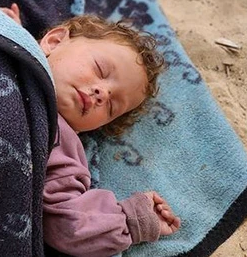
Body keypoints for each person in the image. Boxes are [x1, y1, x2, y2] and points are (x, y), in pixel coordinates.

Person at [37, 14, 181, 257]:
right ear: (54, 41)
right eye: (100, 69)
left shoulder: (63, 142)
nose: (101, 93)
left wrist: (132, 219)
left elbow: (70, 224)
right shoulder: (7, 44)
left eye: (111, 107)